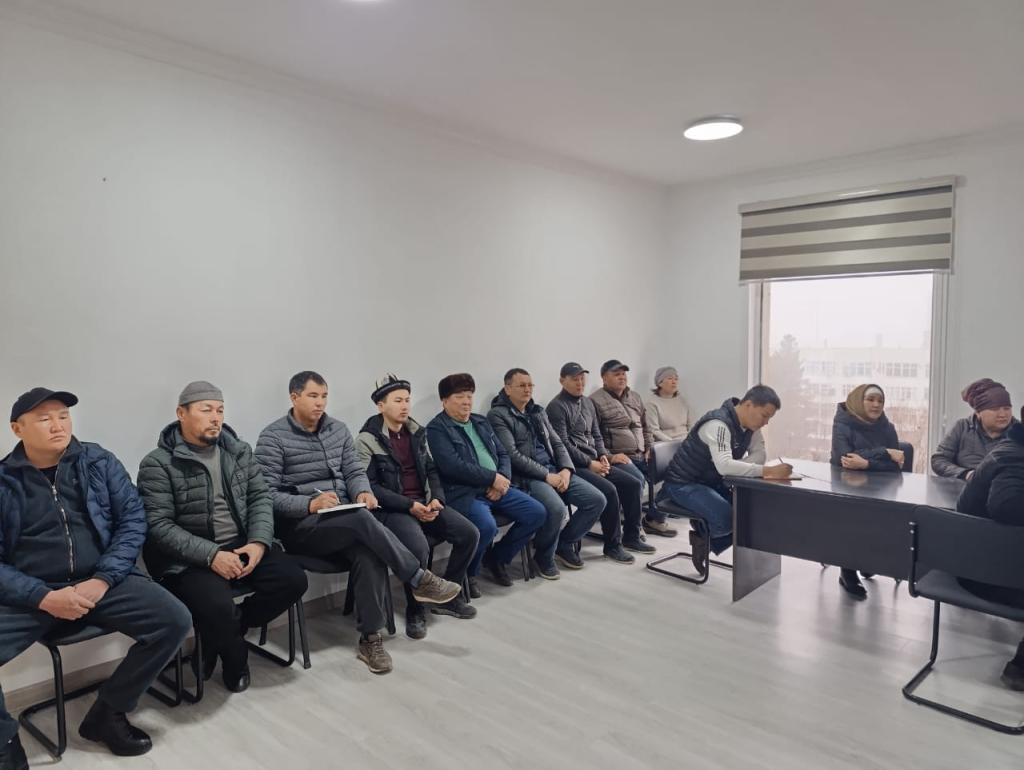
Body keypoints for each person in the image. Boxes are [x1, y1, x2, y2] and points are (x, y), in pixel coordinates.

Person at [1, 389, 191, 767]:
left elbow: (132, 521)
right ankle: (5, 742)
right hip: (34, 591)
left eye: (63, 416)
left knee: (174, 621)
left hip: (101, 579)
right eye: (44, 418)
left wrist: (103, 579)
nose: (58, 425)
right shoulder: (5, 482)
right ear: (17, 429)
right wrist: (43, 597)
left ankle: (108, 712)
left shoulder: (97, 461)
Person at [255, 372, 461, 672]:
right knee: (361, 520)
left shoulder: (337, 430)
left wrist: (363, 492)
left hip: (343, 519)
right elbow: (266, 496)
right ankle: (418, 578)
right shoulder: (273, 437)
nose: (320, 403)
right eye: (313, 396)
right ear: (294, 398)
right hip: (301, 528)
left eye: (324, 396)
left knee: (368, 550)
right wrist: (309, 504)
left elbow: (354, 471)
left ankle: (370, 638)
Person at [138, 381, 308, 694]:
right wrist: (212, 555)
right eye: (206, 410)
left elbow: (260, 498)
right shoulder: (158, 463)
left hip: (240, 542)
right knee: (217, 607)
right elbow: (158, 526)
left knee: (293, 580)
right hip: (188, 558)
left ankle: (226, 632)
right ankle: (235, 659)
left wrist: (258, 542)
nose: (215, 417)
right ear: (181, 414)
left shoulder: (238, 451)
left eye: (219, 410)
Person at [356, 374, 480, 638]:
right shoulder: (367, 439)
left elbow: (432, 470)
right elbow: (370, 487)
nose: (405, 406)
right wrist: (410, 505)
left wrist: (436, 498)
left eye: (407, 400)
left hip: (424, 503)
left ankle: (447, 598)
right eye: (397, 400)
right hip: (394, 509)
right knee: (418, 547)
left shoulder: (417, 432)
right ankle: (416, 609)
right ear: (380, 406)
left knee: (469, 533)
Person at [427, 373, 547, 594]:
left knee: (537, 512)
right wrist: (492, 478)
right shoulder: (437, 428)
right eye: (459, 397)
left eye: (469, 396)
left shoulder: (480, 421)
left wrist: (501, 479)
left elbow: (503, 454)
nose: (466, 402)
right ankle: (470, 572)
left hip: (497, 488)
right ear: (444, 401)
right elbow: (452, 466)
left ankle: (497, 557)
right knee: (486, 526)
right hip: (465, 493)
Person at [486, 368, 606, 579]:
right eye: (521, 385)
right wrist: (546, 476)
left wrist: (566, 469)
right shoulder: (498, 415)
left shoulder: (537, 411)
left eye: (530, 385)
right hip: (526, 477)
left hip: (555, 470)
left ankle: (563, 544)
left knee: (597, 500)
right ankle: (543, 557)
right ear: (507, 389)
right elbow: (512, 455)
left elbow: (558, 443)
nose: (527, 389)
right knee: (556, 508)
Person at [661, 385, 788, 576]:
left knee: (750, 514)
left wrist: (733, 465)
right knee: (727, 520)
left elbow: (759, 455)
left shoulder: (750, 426)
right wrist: (766, 471)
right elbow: (725, 467)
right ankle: (703, 535)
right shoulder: (718, 424)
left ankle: (704, 534)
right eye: (764, 415)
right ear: (749, 405)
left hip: (712, 483)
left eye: (769, 418)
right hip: (682, 483)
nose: (766, 422)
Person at [546, 362, 647, 560]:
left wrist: (602, 456)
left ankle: (632, 537)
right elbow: (563, 445)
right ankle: (611, 546)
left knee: (633, 484)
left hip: (595, 461)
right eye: (574, 379)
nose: (580, 383)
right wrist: (590, 463)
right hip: (575, 465)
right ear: (562, 381)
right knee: (609, 490)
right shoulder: (556, 407)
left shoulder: (587, 402)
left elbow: (596, 434)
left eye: (582, 379)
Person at [956, 407, 1024, 690]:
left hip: (986, 560)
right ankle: (1019, 669)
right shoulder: (1015, 456)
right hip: (982, 572)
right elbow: (1005, 505)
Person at [829, 383, 904, 598]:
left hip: (880, 485)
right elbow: (845, 458)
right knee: (851, 520)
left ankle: (867, 560)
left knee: (879, 520)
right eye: (870, 399)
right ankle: (847, 571)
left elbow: (896, 465)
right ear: (858, 401)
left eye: (880, 401)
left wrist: (867, 463)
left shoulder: (887, 427)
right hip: (846, 485)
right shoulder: (842, 423)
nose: (876, 405)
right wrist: (885, 452)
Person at [590, 360, 677, 539]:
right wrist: (610, 456)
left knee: (677, 472)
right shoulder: (594, 401)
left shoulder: (634, 397)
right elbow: (593, 435)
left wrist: (649, 447)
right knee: (637, 480)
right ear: (604, 378)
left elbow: (646, 427)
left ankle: (654, 518)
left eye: (624, 374)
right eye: (617, 374)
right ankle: (634, 528)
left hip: (642, 454)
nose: (622, 377)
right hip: (619, 458)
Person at [932, 378, 1016, 479]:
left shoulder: (1019, 431)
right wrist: (967, 474)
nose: (1003, 414)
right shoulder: (962, 427)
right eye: (995, 409)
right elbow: (938, 460)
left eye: (1007, 408)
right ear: (978, 413)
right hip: (965, 486)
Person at [645, 367, 693, 441]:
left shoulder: (682, 400)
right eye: (670, 378)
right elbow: (654, 431)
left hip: (687, 441)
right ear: (660, 383)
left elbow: (691, 425)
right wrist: (672, 443)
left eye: (676, 379)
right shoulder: (652, 403)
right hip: (667, 443)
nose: (674, 382)